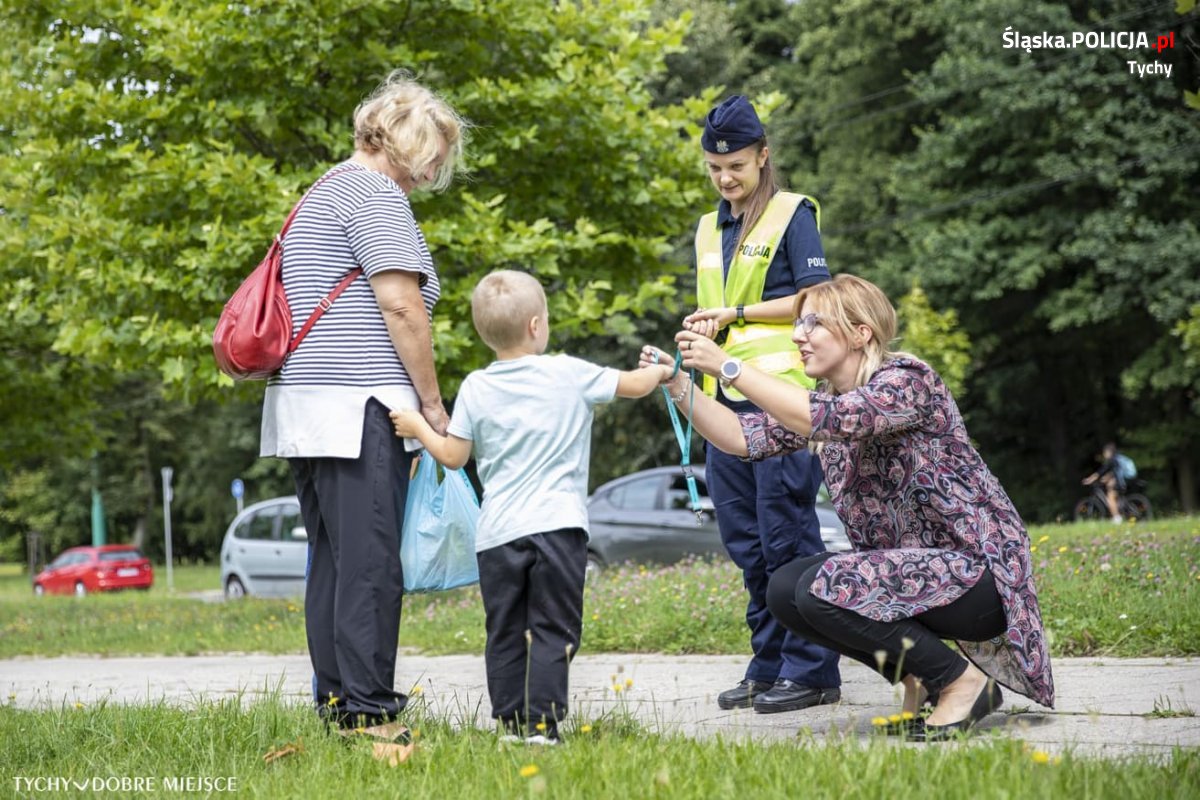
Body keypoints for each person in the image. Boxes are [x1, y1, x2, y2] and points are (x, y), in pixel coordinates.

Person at [640, 274, 1055, 741]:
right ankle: (923, 678)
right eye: (798, 324)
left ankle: (963, 683)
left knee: (820, 586)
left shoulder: (906, 381)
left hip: (976, 580)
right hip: (910, 576)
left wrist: (729, 367)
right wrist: (678, 382)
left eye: (813, 323)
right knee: (785, 589)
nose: (798, 334)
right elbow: (742, 438)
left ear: (861, 333)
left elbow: (829, 420)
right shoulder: (827, 400)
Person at [258, 71, 467, 733]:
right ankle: (373, 716)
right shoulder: (375, 193)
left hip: (305, 406)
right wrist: (433, 406)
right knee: (371, 565)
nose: (429, 178)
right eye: (431, 161)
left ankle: (338, 705)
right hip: (359, 405)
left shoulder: (323, 189)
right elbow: (401, 305)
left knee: (334, 564)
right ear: (407, 143)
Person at [391, 270, 674, 743]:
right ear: (537, 325)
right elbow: (636, 384)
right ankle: (542, 726)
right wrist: (663, 370)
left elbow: (455, 457)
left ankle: (510, 724)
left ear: (485, 334)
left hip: (498, 534)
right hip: (558, 528)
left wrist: (420, 427)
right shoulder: (570, 372)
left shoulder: (478, 386)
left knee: (503, 629)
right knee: (552, 628)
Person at [681, 95, 840, 713]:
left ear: (763, 156)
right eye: (715, 168)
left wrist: (736, 315)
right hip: (726, 400)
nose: (725, 178)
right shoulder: (707, 226)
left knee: (787, 537)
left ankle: (813, 670)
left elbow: (818, 297)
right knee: (746, 542)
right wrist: (702, 332)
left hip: (781, 400)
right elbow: (720, 306)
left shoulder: (792, 214)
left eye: (737, 167)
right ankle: (768, 664)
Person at [1082, 442, 1129, 523]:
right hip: (1123, 482)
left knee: (1110, 498)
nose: (1104, 455)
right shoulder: (1115, 460)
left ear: (1109, 452)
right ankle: (1117, 514)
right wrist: (1106, 479)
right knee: (1110, 493)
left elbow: (1101, 472)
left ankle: (1117, 518)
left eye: (1105, 453)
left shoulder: (1111, 460)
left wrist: (1089, 480)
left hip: (1119, 483)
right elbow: (1113, 472)